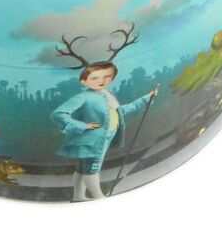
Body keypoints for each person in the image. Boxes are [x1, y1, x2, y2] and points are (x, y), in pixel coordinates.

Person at [51, 61, 157, 201]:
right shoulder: (84, 96)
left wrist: (145, 99)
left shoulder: (107, 95)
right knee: (92, 168)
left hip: (104, 137)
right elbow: (58, 114)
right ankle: (98, 197)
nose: (101, 81)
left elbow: (120, 111)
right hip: (93, 140)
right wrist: (82, 126)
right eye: (95, 78)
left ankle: (78, 196)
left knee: (83, 168)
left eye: (107, 76)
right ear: (84, 81)